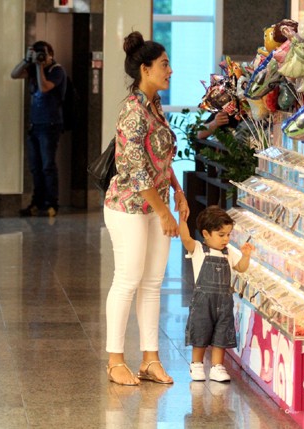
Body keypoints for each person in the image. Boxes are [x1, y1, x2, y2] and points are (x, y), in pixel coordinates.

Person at [103, 31, 189, 386]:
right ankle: (115, 360)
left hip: (155, 206)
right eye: (164, 64)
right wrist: (164, 213)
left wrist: (177, 192)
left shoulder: (154, 107)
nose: (170, 70)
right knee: (127, 280)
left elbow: (160, 159)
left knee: (152, 282)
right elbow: (136, 170)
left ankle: (150, 359)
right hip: (128, 207)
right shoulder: (133, 110)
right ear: (145, 68)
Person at [179, 205, 254, 382]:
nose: (226, 239)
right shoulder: (198, 248)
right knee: (201, 331)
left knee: (222, 332)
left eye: (228, 234)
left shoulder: (229, 253)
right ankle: (196, 364)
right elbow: (185, 237)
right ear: (206, 234)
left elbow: (241, 268)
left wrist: (246, 256)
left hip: (224, 301)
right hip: (203, 302)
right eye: (221, 235)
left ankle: (217, 366)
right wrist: (182, 220)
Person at [11, 41, 67, 217]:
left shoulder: (57, 71)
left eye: (43, 54)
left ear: (51, 54)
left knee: (48, 166)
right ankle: (37, 202)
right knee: (35, 167)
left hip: (50, 125)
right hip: (35, 125)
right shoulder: (34, 69)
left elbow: (44, 88)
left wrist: (38, 66)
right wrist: (26, 60)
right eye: (38, 54)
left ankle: (52, 204)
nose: (41, 58)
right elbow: (14, 74)